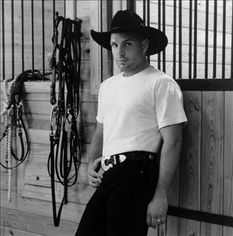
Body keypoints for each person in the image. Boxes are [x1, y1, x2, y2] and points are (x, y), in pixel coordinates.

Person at [75, 10, 187, 236]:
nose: (119, 53)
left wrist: (160, 195)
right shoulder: (108, 86)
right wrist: (90, 165)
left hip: (137, 174)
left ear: (144, 45)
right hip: (109, 175)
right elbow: (101, 132)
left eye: (127, 44)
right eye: (115, 46)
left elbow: (173, 142)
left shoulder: (161, 84)